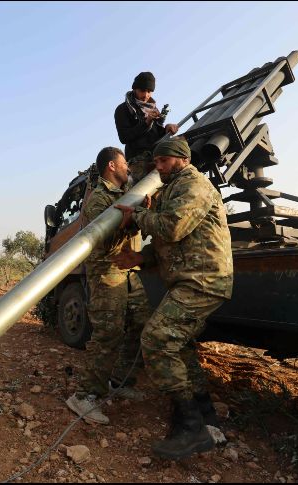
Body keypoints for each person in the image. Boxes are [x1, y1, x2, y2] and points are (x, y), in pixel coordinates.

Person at [113, 137, 233, 460]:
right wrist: (139, 259)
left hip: (203, 279)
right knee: (180, 345)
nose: (158, 167)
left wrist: (136, 216)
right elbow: (171, 245)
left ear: (180, 159)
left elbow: (174, 228)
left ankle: (190, 427)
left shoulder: (194, 185)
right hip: (192, 277)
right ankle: (206, 416)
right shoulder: (173, 188)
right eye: (156, 162)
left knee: (155, 338)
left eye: (163, 161)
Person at [65, 146, 152, 425]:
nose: (129, 167)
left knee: (140, 322)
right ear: (111, 166)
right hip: (107, 274)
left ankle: (118, 380)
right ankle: (85, 395)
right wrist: (130, 223)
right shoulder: (99, 200)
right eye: (125, 162)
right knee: (108, 333)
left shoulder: (126, 194)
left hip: (129, 272)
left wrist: (140, 215)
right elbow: (105, 241)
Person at [114, 71, 179, 182]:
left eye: (149, 91)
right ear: (135, 89)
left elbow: (156, 134)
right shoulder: (122, 109)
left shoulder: (153, 109)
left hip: (157, 156)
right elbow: (124, 137)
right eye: (142, 91)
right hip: (138, 161)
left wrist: (167, 129)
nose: (146, 95)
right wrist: (146, 123)